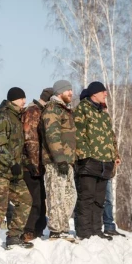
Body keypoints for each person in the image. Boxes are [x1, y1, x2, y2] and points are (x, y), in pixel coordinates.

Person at [0, 87, 33, 249]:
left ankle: (13, 236)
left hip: (13, 172)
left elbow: (17, 146)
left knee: (25, 200)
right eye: (21, 99)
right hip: (0, 171)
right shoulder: (1, 116)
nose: (24, 102)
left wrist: (23, 163)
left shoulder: (16, 117)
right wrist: (13, 163)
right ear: (13, 100)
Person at [74, 82, 119, 240]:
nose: (106, 94)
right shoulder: (82, 109)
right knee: (87, 198)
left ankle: (96, 231)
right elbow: (78, 133)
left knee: (99, 200)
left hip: (104, 162)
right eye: (103, 91)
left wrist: (113, 157)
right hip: (89, 162)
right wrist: (85, 156)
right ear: (94, 94)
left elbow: (110, 137)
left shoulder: (103, 114)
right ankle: (84, 232)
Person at [42, 80, 77, 242]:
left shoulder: (65, 110)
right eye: (68, 90)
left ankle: (63, 227)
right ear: (59, 92)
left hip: (67, 161)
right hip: (55, 162)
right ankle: (56, 231)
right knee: (57, 195)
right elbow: (52, 135)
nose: (71, 92)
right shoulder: (52, 109)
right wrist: (60, 159)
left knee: (70, 195)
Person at [21, 87, 53, 242]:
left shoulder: (38, 111)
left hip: (37, 164)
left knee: (40, 198)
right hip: (31, 165)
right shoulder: (34, 112)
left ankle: (37, 229)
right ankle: (29, 231)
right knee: (35, 200)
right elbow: (31, 139)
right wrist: (35, 164)